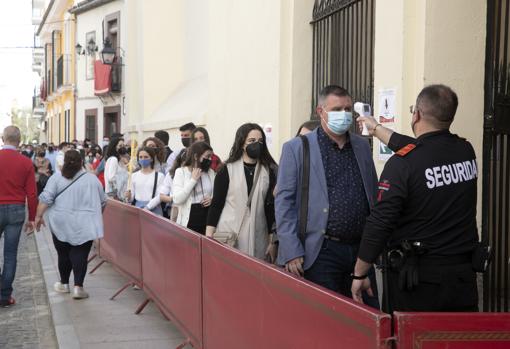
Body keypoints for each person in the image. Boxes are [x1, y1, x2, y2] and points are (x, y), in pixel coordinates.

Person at [351, 84, 479, 312]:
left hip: (419, 282)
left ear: (417, 114)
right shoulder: (465, 150)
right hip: (462, 278)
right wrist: (376, 128)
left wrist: (359, 273)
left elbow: (380, 222)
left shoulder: (402, 165)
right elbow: (421, 149)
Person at [275, 85, 379, 308]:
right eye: (337, 109)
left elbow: (372, 193)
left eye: (348, 109)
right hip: (321, 251)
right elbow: (284, 201)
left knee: (367, 317)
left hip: (361, 251)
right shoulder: (297, 148)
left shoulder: (361, 146)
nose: (344, 115)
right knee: (328, 320)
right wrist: (291, 250)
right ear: (320, 111)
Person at [36, 150, 106, 300]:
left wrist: (38, 216)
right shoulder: (93, 180)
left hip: (60, 222)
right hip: (85, 223)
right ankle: (78, 287)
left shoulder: (56, 179)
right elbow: (103, 201)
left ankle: (64, 284)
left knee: (63, 254)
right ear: (82, 162)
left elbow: (45, 199)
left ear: (64, 162)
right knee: (80, 253)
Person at [206, 123, 278, 261]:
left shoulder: (268, 171)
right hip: (230, 236)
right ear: (241, 144)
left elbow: (270, 208)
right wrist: (209, 237)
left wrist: (271, 241)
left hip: (258, 235)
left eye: (260, 141)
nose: (256, 144)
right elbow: (216, 205)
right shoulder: (226, 170)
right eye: (251, 141)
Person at [0, 126, 37, 307]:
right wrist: (33, 217)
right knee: (10, 255)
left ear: (2, 138)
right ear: (20, 140)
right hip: (16, 209)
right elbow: (32, 193)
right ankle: (5, 295)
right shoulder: (26, 162)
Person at [173, 141, 215, 234]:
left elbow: (217, 194)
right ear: (196, 156)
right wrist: (193, 180)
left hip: (207, 221)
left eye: (210, 156)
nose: (209, 159)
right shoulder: (181, 172)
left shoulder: (210, 172)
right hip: (189, 222)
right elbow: (177, 199)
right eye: (207, 156)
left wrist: (212, 199)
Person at [125, 147, 164, 215]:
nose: (143, 159)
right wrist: (128, 197)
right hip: (138, 209)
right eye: (140, 157)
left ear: (151, 159)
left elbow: (159, 196)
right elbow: (131, 198)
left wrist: (147, 207)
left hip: (154, 210)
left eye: (146, 157)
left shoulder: (159, 176)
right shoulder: (133, 176)